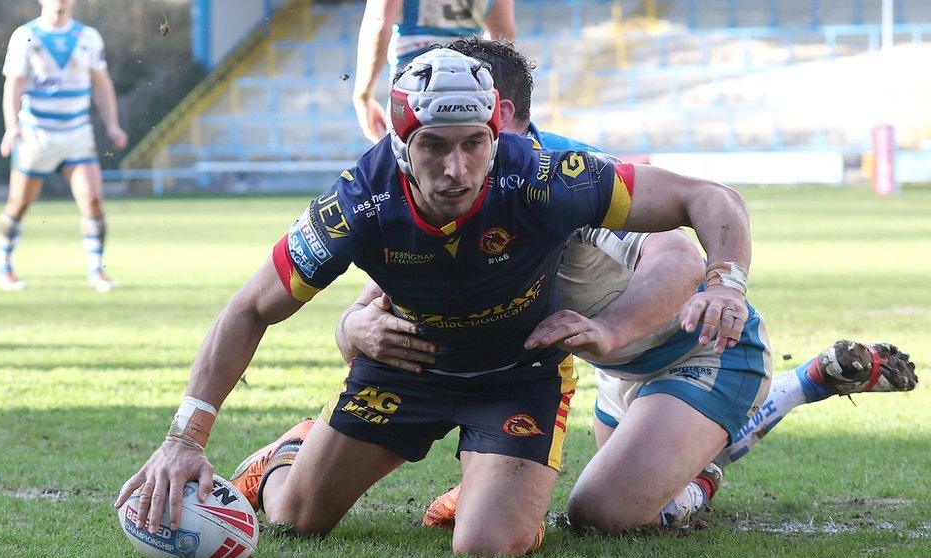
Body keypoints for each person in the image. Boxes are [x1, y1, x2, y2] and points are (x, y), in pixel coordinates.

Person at [115, 47, 757, 558]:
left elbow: (710, 199)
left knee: (487, 547)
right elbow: (251, 307)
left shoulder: (544, 176)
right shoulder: (357, 204)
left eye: (474, 143)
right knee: (294, 519)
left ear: (495, 133)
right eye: (434, 147)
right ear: (400, 144)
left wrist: (726, 280)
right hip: (408, 369)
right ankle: (289, 455)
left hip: (516, 377)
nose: (457, 168)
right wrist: (185, 438)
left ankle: (496, 491)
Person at [334, 37, 919, 533]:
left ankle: (794, 390)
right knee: (600, 490)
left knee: (604, 513)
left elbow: (678, 256)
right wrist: (353, 324)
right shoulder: (452, 187)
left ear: (499, 112)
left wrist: (622, 325)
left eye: (468, 126)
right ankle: (691, 456)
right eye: (433, 134)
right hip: (616, 374)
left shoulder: (560, 175)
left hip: (700, 353)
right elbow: (402, 287)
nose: (448, 153)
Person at [0, 0, 127, 292]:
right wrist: (11, 127)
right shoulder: (25, 35)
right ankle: (4, 267)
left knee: (93, 199)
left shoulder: (88, 37)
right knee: (18, 204)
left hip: (76, 133)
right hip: (37, 133)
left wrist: (113, 125)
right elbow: (13, 85)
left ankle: (97, 271)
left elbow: (102, 84)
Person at [354, 0, 515, 143]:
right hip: (469, 84)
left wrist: (364, 95)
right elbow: (503, 34)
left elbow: (379, 25)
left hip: (414, 85)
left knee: (408, 165)